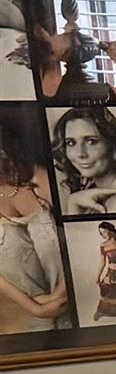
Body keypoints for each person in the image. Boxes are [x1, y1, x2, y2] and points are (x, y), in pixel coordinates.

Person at [0, 137, 68, 333]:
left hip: (76, 304)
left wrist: (58, 296)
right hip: (25, 318)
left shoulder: (46, 180)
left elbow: (85, 240)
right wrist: (36, 309)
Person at [52, 106, 116, 216]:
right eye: (71, 143)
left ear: (113, 144)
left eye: (91, 141)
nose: (80, 154)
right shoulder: (92, 190)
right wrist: (73, 202)